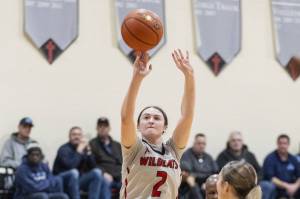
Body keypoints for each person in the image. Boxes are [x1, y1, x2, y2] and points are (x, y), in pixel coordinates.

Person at [120, 49, 195, 198]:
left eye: (156, 118)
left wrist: (189, 76)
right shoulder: (134, 148)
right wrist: (137, 78)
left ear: (165, 127)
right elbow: (125, 118)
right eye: (146, 117)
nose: (151, 120)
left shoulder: (173, 150)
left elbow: (187, 116)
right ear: (138, 126)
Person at [53, 126, 106, 199]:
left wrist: (89, 151)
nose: (77, 137)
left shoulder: (83, 149)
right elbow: (70, 166)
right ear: (69, 136)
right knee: (74, 172)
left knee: (97, 172)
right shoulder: (63, 149)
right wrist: (79, 151)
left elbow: (93, 166)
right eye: (74, 134)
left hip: (77, 180)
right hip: (62, 181)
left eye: (79, 135)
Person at [89, 117, 122, 198]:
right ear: (97, 128)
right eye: (100, 126)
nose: (103, 128)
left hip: (119, 177)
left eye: (105, 126)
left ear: (109, 128)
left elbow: (124, 162)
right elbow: (92, 163)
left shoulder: (117, 145)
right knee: (104, 182)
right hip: (105, 177)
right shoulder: (92, 144)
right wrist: (103, 173)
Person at [260, 134, 300, 199]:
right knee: (266, 186)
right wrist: (288, 186)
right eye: (280, 143)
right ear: (277, 144)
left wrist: (295, 186)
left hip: (291, 188)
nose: (282, 146)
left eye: (285, 143)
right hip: (276, 188)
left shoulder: (293, 159)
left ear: (288, 144)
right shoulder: (270, 158)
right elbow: (271, 178)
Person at [180, 133, 218, 198]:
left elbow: (215, 172)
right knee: (192, 183)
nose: (201, 146)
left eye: (203, 144)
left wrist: (207, 183)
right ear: (194, 143)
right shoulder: (187, 155)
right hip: (190, 185)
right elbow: (187, 173)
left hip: (206, 183)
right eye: (199, 143)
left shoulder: (208, 157)